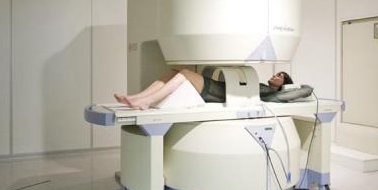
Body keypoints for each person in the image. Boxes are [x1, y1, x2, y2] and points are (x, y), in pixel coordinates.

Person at [115, 69, 293, 110]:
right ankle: (139, 97)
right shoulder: (263, 86)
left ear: (283, 84)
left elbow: (301, 91)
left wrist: (292, 88)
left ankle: (147, 101)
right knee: (173, 71)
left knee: (185, 73)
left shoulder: (272, 93)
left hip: (218, 93)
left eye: (280, 76)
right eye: (276, 73)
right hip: (220, 87)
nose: (275, 75)